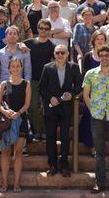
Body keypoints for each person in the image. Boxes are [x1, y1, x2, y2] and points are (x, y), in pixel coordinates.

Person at [82, 45, 109, 194]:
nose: (105, 57)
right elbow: (85, 94)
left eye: (107, 55)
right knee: (99, 152)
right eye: (102, 55)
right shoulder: (90, 74)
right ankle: (99, 183)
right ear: (98, 56)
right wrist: (92, 110)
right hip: (97, 117)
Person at [39, 44, 82, 177]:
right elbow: (41, 87)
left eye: (62, 53)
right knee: (51, 137)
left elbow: (80, 85)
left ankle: (64, 165)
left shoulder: (74, 67)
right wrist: (50, 98)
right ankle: (52, 164)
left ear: (68, 54)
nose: (60, 55)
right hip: (51, 107)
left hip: (66, 107)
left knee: (64, 137)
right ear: (54, 54)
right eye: (57, 53)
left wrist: (72, 93)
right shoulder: (47, 68)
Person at [0, 58, 31, 192]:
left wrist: (19, 113)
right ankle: (4, 184)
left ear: (21, 67)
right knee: (5, 153)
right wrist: (5, 111)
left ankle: (16, 184)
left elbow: (27, 103)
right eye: (13, 66)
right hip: (6, 121)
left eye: (18, 66)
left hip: (21, 120)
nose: (16, 68)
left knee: (18, 153)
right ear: (9, 68)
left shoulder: (26, 84)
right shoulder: (4, 84)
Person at [23, 19, 55, 141]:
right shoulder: (29, 43)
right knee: (33, 107)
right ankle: (37, 131)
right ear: (37, 28)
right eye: (41, 28)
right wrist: (21, 45)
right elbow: (17, 45)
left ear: (49, 31)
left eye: (46, 29)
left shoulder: (52, 46)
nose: (43, 31)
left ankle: (44, 132)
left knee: (46, 108)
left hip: (47, 82)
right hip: (32, 80)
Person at [79, 31, 107, 157]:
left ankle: (98, 145)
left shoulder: (107, 55)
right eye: (98, 39)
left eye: (102, 39)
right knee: (90, 118)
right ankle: (92, 146)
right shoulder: (88, 56)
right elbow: (85, 75)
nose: (100, 41)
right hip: (90, 93)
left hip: (104, 93)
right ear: (94, 41)